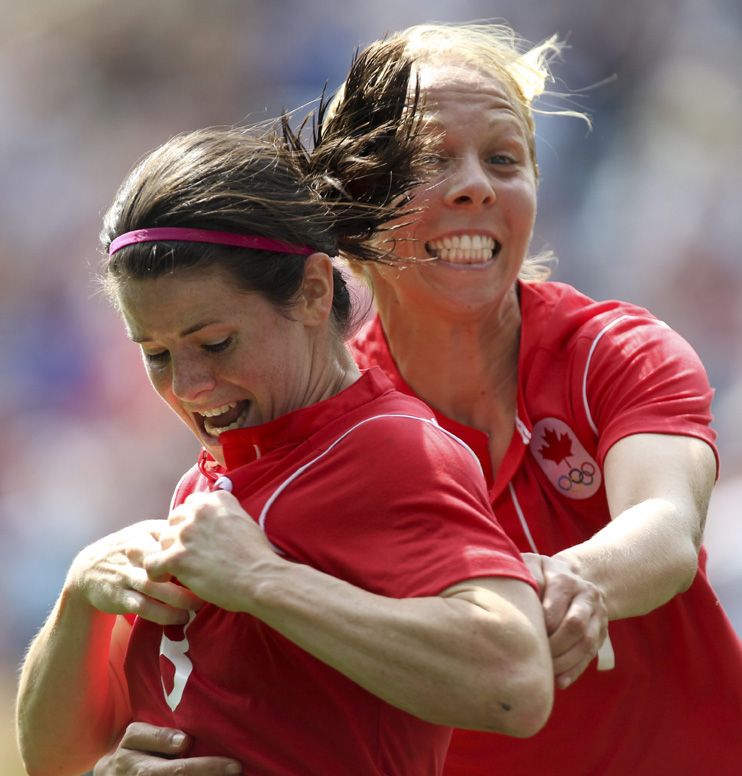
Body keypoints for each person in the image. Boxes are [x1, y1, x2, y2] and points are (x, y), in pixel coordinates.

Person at [86, 19, 742, 776]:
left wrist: (569, 580)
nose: (476, 185)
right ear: (348, 201)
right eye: (433, 160)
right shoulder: (302, 409)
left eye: (505, 159)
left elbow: (664, 529)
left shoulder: (612, 353)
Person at [14, 43, 554, 776]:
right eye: (158, 355)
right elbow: (55, 758)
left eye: (215, 341)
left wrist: (264, 582)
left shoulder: (389, 450)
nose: (191, 386)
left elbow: (515, 687)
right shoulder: (220, 477)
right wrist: (81, 591)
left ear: (307, 292)